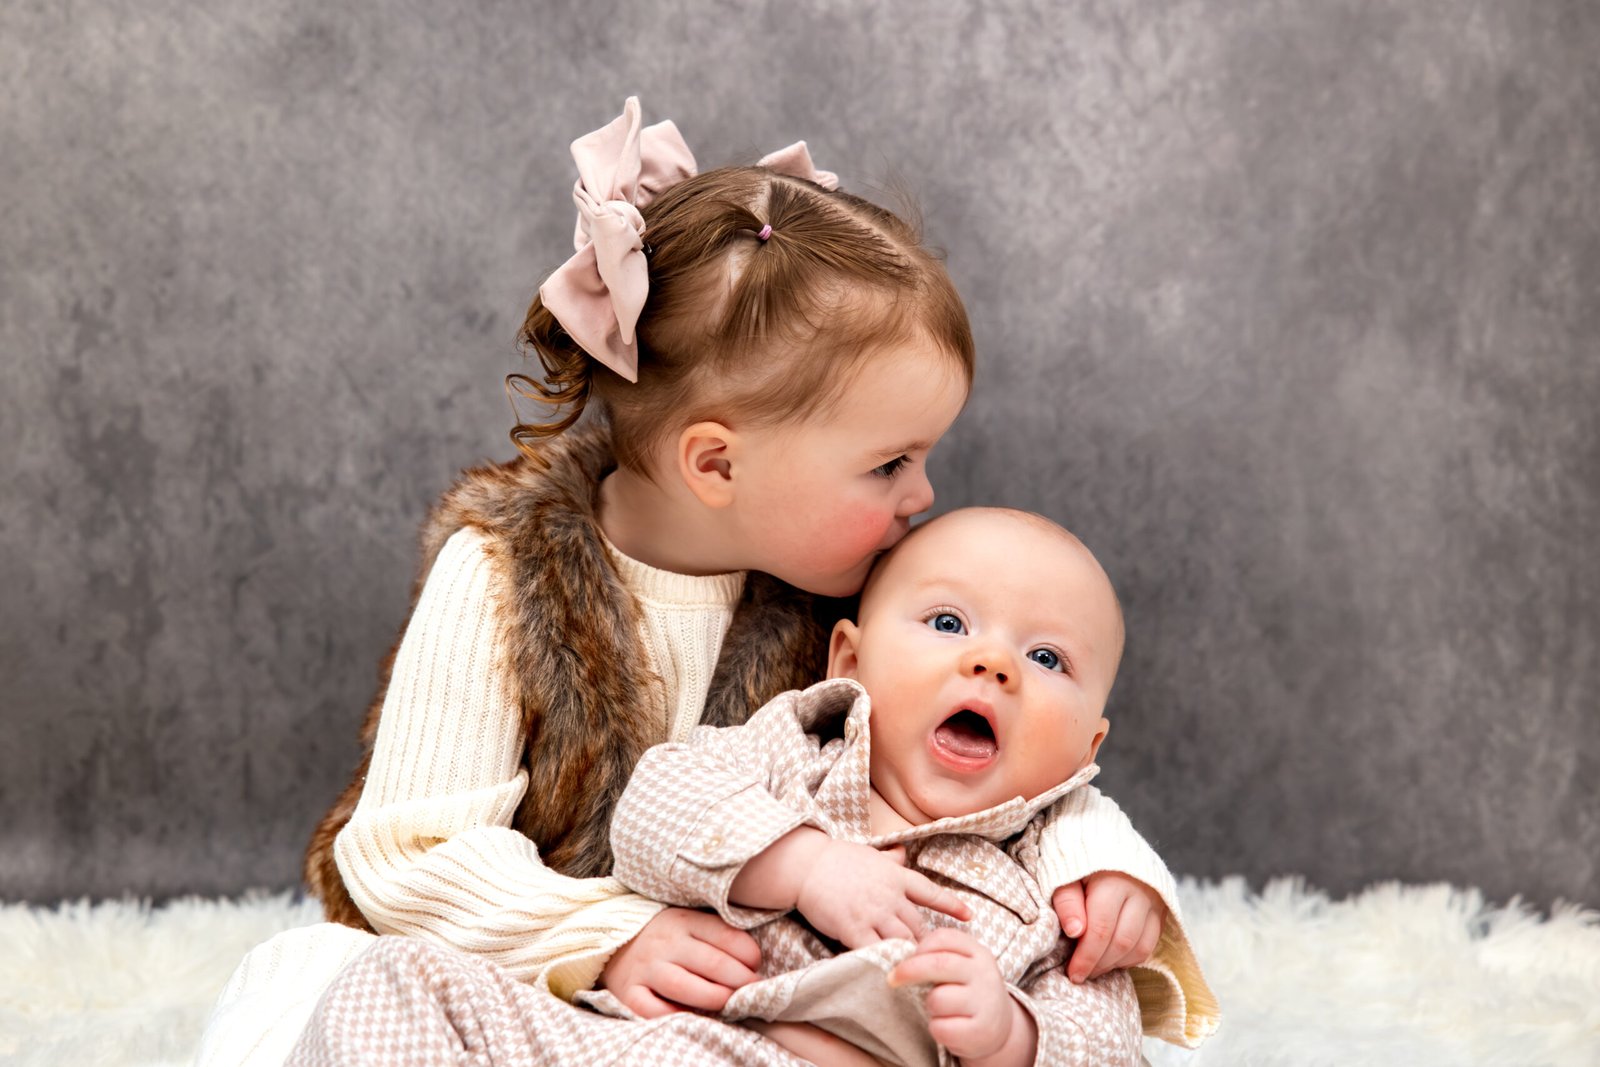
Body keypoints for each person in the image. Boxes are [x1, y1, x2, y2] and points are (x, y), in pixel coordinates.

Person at [197, 98, 1188, 1066]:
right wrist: (610, 934)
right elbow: (408, 854)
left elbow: (1017, 772)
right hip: (554, 971)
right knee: (332, 978)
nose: (921, 496)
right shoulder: (507, 574)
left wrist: (1112, 878)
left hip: (783, 1008)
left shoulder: (861, 588)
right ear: (716, 465)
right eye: (889, 463)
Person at [284, 509, 1217, 1066]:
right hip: (663, 1045)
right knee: (397, 981)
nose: (992, 663)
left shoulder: (1056, 885)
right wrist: (803, 862)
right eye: (946, 620)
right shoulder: (800, 747)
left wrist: (1011, 1035)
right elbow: (655, 807)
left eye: (1046, 655)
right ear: (848, 656)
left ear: (1088, 744)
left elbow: (1108, 1038)